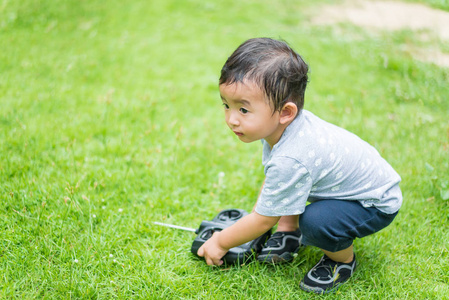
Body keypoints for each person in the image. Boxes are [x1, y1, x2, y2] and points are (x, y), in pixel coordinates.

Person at [197, 37, 402, 294]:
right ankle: (288, 230)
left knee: (316, 222)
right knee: (289, 189)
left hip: (373, 203)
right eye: (226, 106)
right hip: (362, 187)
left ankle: (341, 261)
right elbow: (279, 186)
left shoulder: (292, 155)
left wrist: (220, 242)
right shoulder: (282, 128)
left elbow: (262, 220)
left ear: (286, 112)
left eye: (243, 110)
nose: (231, 119)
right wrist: (282, 225)